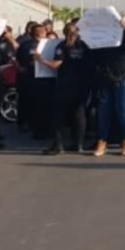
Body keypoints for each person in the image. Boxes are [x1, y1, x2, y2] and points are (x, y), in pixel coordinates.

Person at [36, 22, 93, 154]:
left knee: (58, 115)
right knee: (79, 114)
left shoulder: (63, 46)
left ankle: (58, 145)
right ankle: (78, 144)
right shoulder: (85, 46)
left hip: (66, 84)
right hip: (83, 84)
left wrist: (41, 60)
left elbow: (56, 64)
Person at [90, 17, 125, 157]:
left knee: (121, 110)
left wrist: (124, 29)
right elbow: (93, 54)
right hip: (106, 79)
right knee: (104, 111)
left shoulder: (123, 38)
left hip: (124, 78)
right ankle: (102, 142)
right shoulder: (101, 42)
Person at [22, 23, 53, 140]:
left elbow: (20, 60)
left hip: (31, 79)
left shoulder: (25, 45)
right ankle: (46, 130)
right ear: (42, 33)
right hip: (47, 79)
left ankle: (37, 130)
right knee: (46, 107)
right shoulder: (48, 45)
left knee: (35, 106)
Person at [15, 22, 40, 133]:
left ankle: (24, 123)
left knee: (25, 101)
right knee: (33, 103)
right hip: (34, 77)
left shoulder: (24, 44)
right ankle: (32, 125)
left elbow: (16, 58)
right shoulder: (37, 45)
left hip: (26, 77)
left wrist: (20, 67)